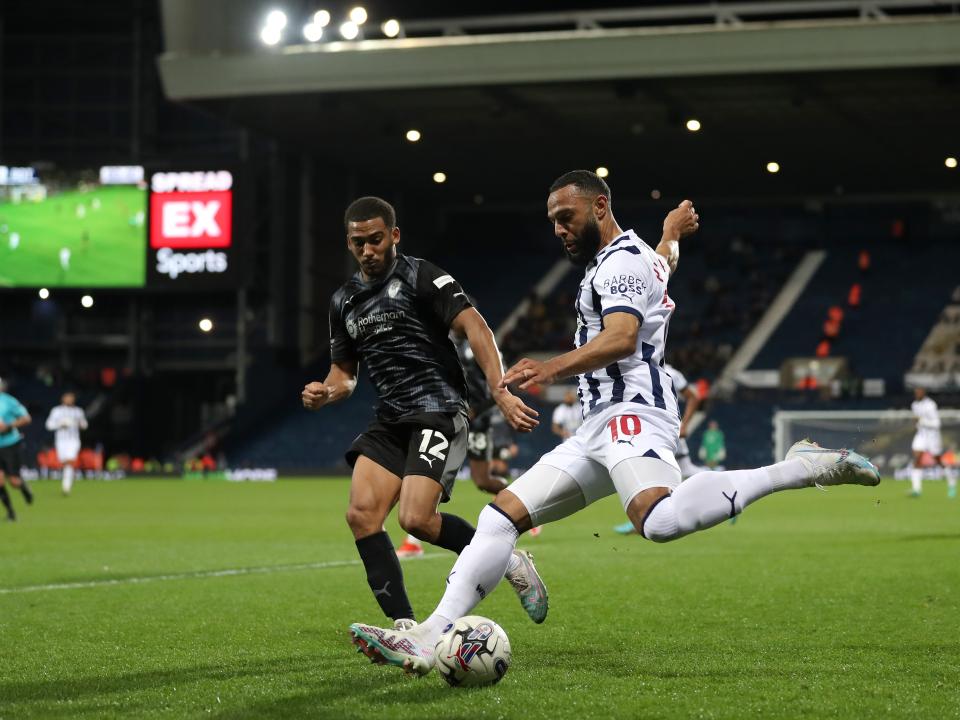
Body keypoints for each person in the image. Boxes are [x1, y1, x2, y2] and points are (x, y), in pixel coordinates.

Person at [347, 170, 880, 675]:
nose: (558, 229)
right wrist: (671, 232)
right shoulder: (638, 257)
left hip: (632, 413)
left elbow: (622, 338)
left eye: (565, 216)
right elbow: (665, 262)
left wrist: (549, 367)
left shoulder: (619, 265)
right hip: (595, 426)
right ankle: (429, 633)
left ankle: (801, 467)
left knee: (660, 522)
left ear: (599, 206)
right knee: (499, 519)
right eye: (553, 220)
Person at [302, 196, 546, 631]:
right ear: (349, 243)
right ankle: (404, 626)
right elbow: (345, 374)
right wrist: (327, 392)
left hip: (438, 409)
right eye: (358, 243)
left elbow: (475, 324)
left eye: (375, 240)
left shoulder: (421, 276)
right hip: (391, 418)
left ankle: (508, 559)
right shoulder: (344, 300)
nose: (367, 250)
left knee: (415, 519)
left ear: (394, 236)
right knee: (360, 514)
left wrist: (500, 390)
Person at [397, 334, 513, 559]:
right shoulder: (443, 344)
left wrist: (476, 410)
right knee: (432, 474)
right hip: (448, 419)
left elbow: (500, 385)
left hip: (477, 421)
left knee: (483, 481)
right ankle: (413, 542)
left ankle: (520, 500)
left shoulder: (484, 347)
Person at [613, 362, 707, 533]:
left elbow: (693, 396)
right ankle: (720, 487)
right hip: (645, 429)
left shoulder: (670, 372)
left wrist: (684, 425)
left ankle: (646, 517)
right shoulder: (633, 368)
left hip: (663, 430)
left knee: (642, 472)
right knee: (683, 469)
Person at [909, 387, 956, 498]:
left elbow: (936, 424)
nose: (917, 394)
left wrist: (921, 421)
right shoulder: (914, 405)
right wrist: (918, 424)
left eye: (919, 392)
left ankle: (952, 482)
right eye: (915, 392)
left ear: (923, 393)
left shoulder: (931, 405)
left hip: (933, 437)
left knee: (938, 460)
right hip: (921, 435)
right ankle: (917, 489)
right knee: (917, 459)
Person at [0, 377, 34, 521]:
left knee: (14, 481)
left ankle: (23, 486)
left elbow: (26, 418)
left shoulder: (9, 401)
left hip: (9, 444)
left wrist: (8, 426)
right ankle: (11, 512)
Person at [46, 392, 88, 496]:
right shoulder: (56, 411)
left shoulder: (78, 411)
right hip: (61, 441)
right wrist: (60, 424)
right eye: (67, 398)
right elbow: (48, 425)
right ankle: (67, 480)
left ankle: (66, 486)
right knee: (65, 463)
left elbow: (84, 425)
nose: (69, 400)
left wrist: (79, 424)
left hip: (73, 440)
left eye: (71, 398)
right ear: (63, 399)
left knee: (70, 461)